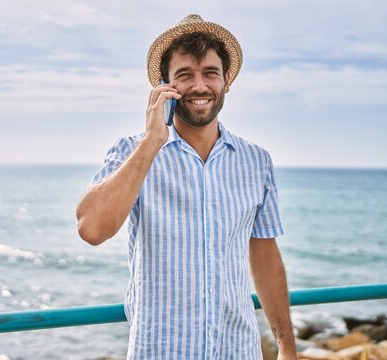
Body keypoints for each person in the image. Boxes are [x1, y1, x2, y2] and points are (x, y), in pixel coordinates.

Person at [76, 14, 296, 360]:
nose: (199, 86)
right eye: (184, 75)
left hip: (237, 351)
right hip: (159, 351)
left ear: (227, 81)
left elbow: (266, 257)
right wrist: (151, 142)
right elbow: (91, 229)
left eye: (210, 73)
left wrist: (286, 347)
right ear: (166, 86)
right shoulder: (132, 151)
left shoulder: (256, 161)